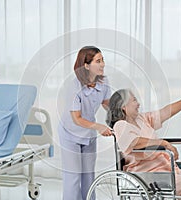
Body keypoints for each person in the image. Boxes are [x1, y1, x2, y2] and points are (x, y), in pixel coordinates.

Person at [106, 89, 181, 200]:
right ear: (123, 106)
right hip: (146, 172)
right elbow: (133, 142)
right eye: (134, 100)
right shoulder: (120, 125)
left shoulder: (141, 119)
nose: (138, 104)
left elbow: (167, 111)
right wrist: (162, 143)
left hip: (165, 169)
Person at [58, 46, 113, 200]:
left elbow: (106, 102)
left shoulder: (103, 81)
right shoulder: (74, 86)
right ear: (87, 65)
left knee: (88, 176)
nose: (103, 64)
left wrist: (121, 112)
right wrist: (99, 127)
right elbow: (77, 118)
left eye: (103, 60)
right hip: (70, 133)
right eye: (98, 61)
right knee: (73, 177)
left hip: (88, 133)